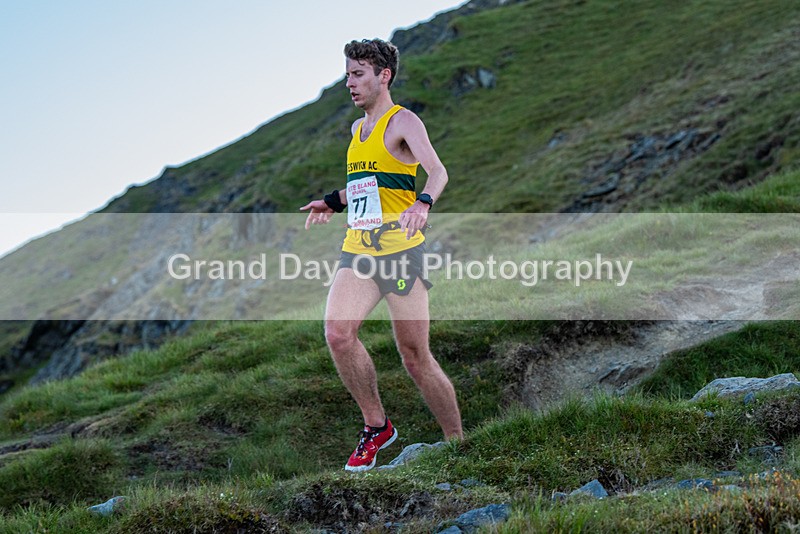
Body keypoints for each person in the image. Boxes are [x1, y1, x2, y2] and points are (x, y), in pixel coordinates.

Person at [300, 38, 463, 472]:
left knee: (415, 357)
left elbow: (438, 171)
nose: (349, 83)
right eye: (347, 75)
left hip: (402, 252)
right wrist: (332, 202)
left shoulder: (403, 121)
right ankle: (377, 426)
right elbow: (368, 184)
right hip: (359, 250)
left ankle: (458, 443)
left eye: (358, 74)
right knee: (338, 334)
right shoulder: (357, 131)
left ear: (383, 76)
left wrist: (423, 203)